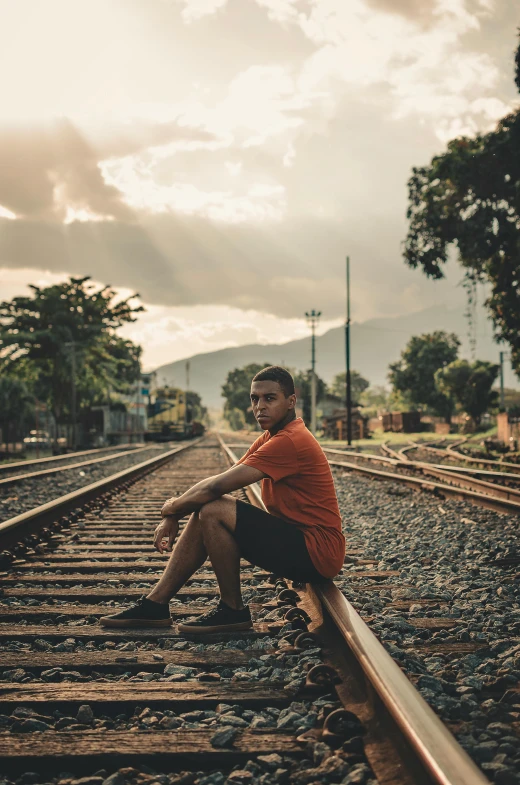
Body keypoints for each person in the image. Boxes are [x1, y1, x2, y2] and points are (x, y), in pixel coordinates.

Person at [99, 366, 345, 633]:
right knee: (207, 507)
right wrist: (174, 513)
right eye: (254, 399)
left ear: (291, 402)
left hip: (317, 552)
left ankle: (233, 610)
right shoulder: (271, 437)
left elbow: (216, 487)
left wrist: (170, 508)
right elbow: (220, 480)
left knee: (214, 508)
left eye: (270, 398)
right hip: (303, 544)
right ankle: (156, 604)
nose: (259, 406)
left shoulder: (290, 440)